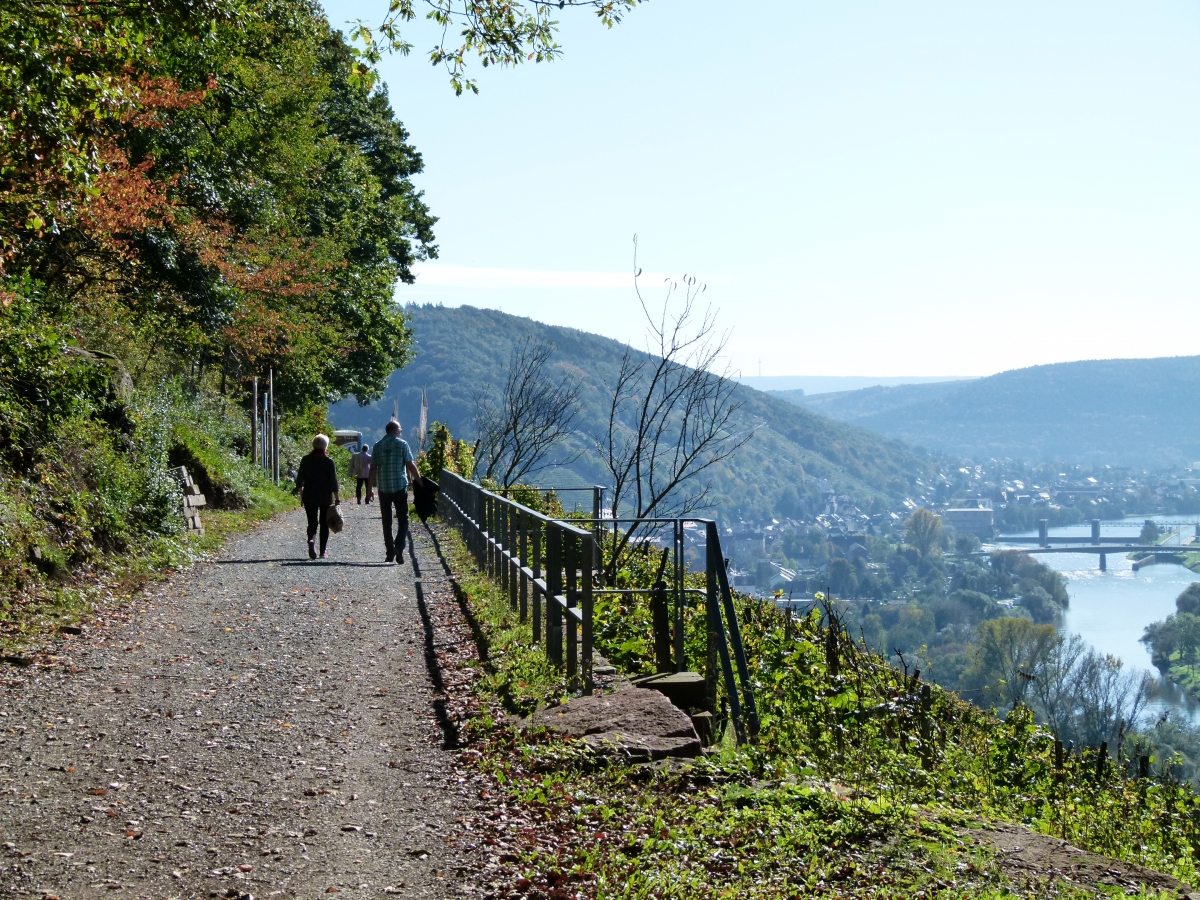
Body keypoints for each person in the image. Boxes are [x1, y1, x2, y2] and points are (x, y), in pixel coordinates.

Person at [368, 420, 421, 563]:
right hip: (399, 487)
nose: (401, 432)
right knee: (403, 519)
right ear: (396, 430)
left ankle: (389, 552)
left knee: (387, 521)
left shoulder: (378, 446)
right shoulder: (402, 444)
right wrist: (420, 481)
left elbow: (373, 468)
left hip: (383, 488)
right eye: (400, 430)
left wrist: (368, 490)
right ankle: (399, 547)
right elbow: (410, 465)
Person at [295, 434, 341, 560]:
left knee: (312, 522)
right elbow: (333, 482)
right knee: (324, 523)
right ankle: (322, 552)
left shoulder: (306, 459)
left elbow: (299, 479)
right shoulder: (329, 462)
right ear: (325, 447)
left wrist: (301, 492)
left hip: (309, 496)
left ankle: (311, 540)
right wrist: (337, 498)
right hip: (325, 497)